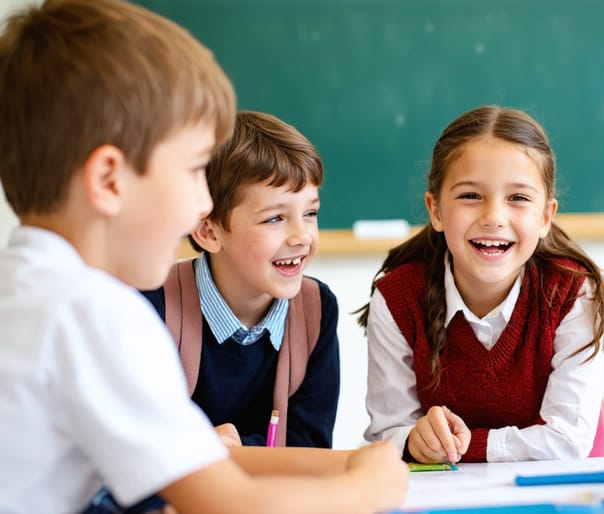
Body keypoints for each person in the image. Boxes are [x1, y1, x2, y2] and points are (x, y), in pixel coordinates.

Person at [0, 1, 407, 513]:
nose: (201, 205)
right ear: (108, 180)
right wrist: (365, 490)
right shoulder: (95, 314)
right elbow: (228, 505)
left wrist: (348, 462)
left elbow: (201, 464)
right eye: (194, 170)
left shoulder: (28, 290)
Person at [358, 105, 604, 463]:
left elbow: (565, 441)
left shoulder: (571, 292)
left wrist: (464, 448)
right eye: (470, 196)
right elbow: (388, 433)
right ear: (435, 210)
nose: (493, 217)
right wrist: (412, 440)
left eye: (518, 198)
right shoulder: (398, 297)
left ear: (546, 216)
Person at [141, 110, 340, 449]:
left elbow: (310, 444)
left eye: (310, 213)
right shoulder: (151, 304)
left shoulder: (315, 310)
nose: (302, 236)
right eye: (275, 218)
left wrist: (239, 449)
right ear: (208, 231)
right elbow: (141, 441)